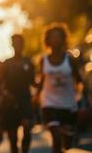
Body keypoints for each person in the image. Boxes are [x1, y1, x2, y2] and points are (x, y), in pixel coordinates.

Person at [39, 23, 84, 153]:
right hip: (49, 103)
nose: (55, 40)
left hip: (68, 104)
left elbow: (79, 81)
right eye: (52, 37)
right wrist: (37, 96)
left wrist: (79, 97)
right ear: (48, 40)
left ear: (63, 39)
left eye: (58, 37)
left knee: (67, 144)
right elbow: (42, 81)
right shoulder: (44, 61)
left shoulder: (70, 60)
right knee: (56, 137)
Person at [2, 34, 35, 153]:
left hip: (25, 99)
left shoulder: (28, 62)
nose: (17, 45)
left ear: (23, 44)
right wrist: (6, 94)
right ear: (12, 45)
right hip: (10, 102)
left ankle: (25, 149)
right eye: (15, 43)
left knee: (27, 128)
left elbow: (33, 82)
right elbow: (0, 84)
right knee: (13, 138)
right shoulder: (6, 63)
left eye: (20, 43)